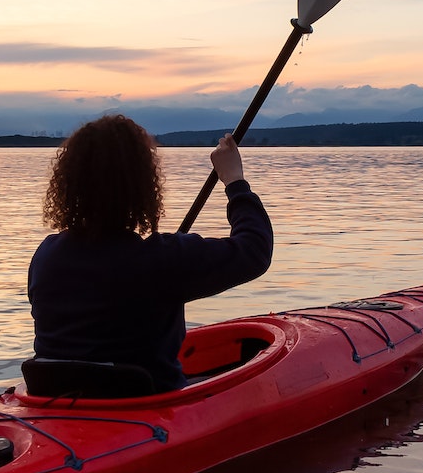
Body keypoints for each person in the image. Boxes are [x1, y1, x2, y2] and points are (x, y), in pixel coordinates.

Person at [27, 114, 273, 393]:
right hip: (145, 407)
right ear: (143, 185)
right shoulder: (161, 259)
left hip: (56, 402)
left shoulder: (45, 256)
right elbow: (255, 250)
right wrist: (234, 181)